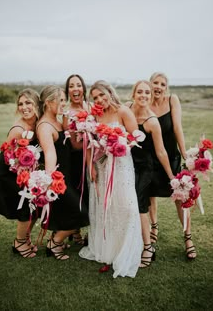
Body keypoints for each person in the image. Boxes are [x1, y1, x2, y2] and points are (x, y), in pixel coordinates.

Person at [79, 80, 143, 278]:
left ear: (109, 92)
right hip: (101, 166)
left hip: (122, 165)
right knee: (106, 207)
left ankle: (126, 249)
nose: (99, 99)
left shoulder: (123, 111)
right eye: (95, 97)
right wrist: (90, 165)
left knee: (128, 207)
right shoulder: (94, 117)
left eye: (101, 95)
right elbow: (89, 143)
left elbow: (137, 136)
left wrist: (120, 145)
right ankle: (108, 249)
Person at [0, 88, 40, 258]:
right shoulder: (18, 129)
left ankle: (26, 238)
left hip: (24, 171)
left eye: (28, 102)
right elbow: (7, 153)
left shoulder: (38, 124)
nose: (24, 107)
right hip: (5, 171)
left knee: (35, 203)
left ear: (36, 104)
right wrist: (22, 170)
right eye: (20, 104)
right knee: (26, 204)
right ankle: (19, 242)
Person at [36, 85, 89, 260]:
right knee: (82, 212)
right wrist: (51, 182)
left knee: (72, 211)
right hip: (58, 180)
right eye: (60, 100)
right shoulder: (44, 126)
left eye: (63, 100)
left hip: (67, 176)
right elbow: (50, 153)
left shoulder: (57, 121)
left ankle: (56, 240)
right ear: (48, 102)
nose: (63, 103)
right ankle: (55, 242)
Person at [148, 72, 196, 260]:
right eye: (155, 83)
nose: (158, 86)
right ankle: (154, 227)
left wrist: (185, 155)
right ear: (150, 84)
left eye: (162, 84)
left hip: (172, 158)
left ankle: (188, 237)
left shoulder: (172, 100)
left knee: (180, 199)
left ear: (166, 87)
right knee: (150, 196)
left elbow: (177, 127)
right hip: (150, 160)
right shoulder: (144, 104)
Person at [128, 80, 174, 267]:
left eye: (147, 93)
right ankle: (131, 242)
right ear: (133, 94)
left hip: (146, 168)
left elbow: (161, 151)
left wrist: (171, 176)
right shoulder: (127, 109)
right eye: (140, 92)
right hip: (128, 165)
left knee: (139, 203)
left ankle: (148, 247)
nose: (144, 95)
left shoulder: (153, 122)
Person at [64, 74, 90, 245]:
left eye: (78, 85)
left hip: (93, 158)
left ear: (83, 88)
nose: (75, 89)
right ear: (68, 91)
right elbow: (72, 144)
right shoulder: (67, 113)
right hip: (76, 159)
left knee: (90, 194)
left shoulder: (91, 107)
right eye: (72, 86)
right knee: (78, 193)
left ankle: (92, 232)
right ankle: (75, 231)